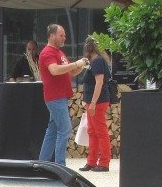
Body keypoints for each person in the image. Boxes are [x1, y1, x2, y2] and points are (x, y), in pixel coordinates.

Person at [38, 23, 88, 166]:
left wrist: (81, 66)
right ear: (52, 36)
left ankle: (42, 164)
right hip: (55, 97)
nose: (64, 38)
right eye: (62, 35)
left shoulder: (59, 53)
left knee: (52, 130)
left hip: (59, 97)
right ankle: (60, 166)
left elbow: (70, 72)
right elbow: (54, 70)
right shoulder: (48, 53)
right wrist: (76, 64)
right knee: (64, 129)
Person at [80, 36, 111, 172]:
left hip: (97, 102)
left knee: (100, 131)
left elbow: (99, 82)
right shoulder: (93, 61)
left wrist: (93, 103)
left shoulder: (97, 61)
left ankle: (104, 162)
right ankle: (91, 161)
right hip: (92, 101)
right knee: (92, 131)